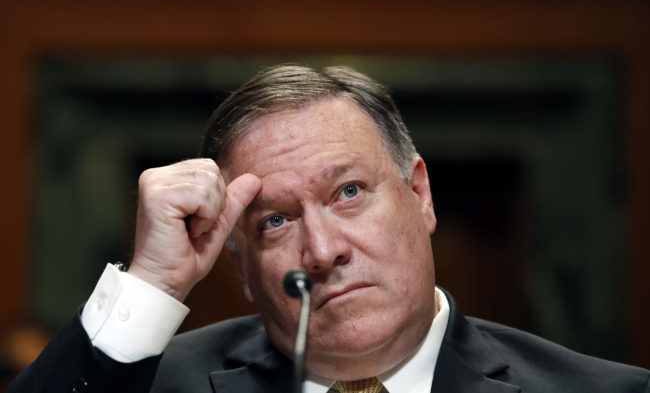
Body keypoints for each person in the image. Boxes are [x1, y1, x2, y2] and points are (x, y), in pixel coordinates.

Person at [9, 65, 650, 393]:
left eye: (348, 193)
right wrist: (151, 281)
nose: (321, 251)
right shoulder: (148, 385)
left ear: (420, 195)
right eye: (276, 221)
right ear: (239, 265)